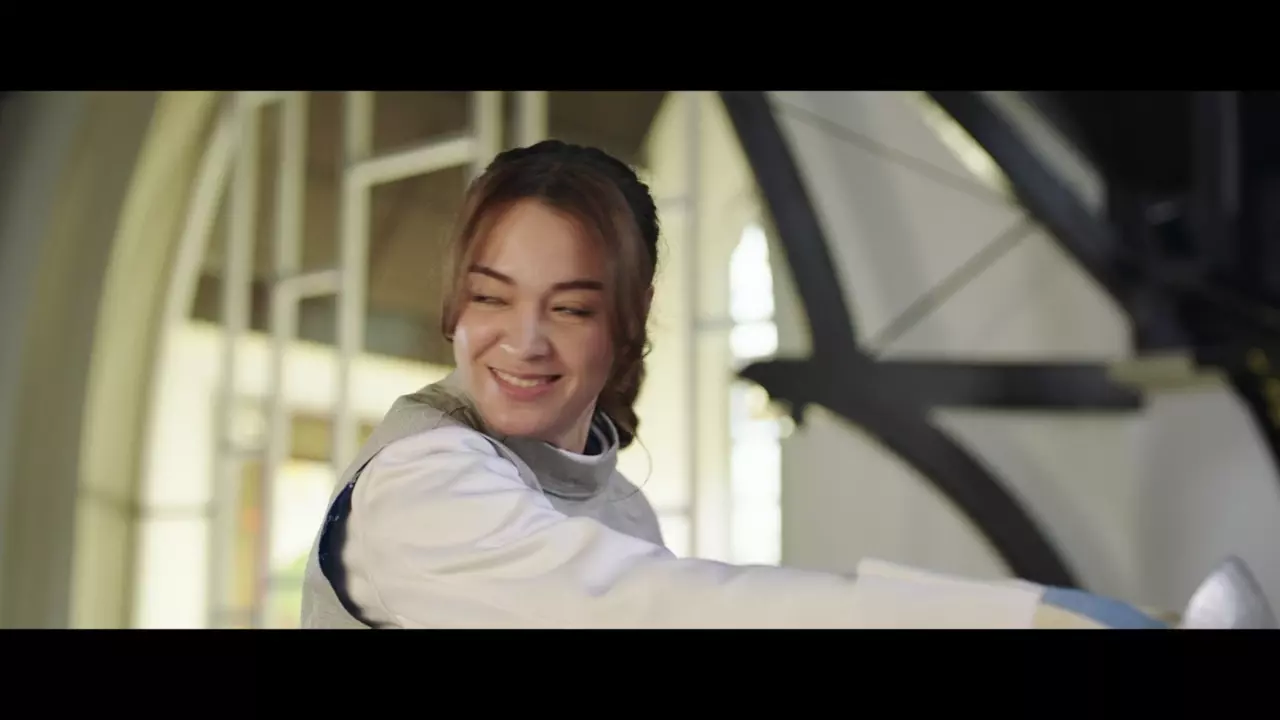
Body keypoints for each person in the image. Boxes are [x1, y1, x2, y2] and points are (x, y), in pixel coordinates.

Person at [299, 140, 1167, 629]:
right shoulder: (424, 486)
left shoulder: (616, 505)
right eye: (492, 297)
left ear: (627, 321)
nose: (522, 341)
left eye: (569, 308)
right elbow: (662, 613)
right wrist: (1012, 620)